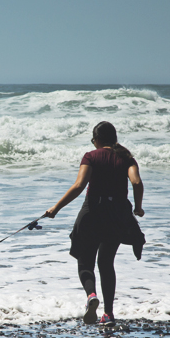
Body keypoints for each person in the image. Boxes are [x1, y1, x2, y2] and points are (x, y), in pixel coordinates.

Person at [45, 121, 145, 327]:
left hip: (93, 213)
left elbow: (79, 185)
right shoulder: (127, 158)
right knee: (106, 263)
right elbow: (136, 182)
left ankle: (91, 295)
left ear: (97, 139)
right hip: (116, 215)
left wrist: (56, 208)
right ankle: (108, 314)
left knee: (85, 260)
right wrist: (138, 207)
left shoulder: (91, 156)